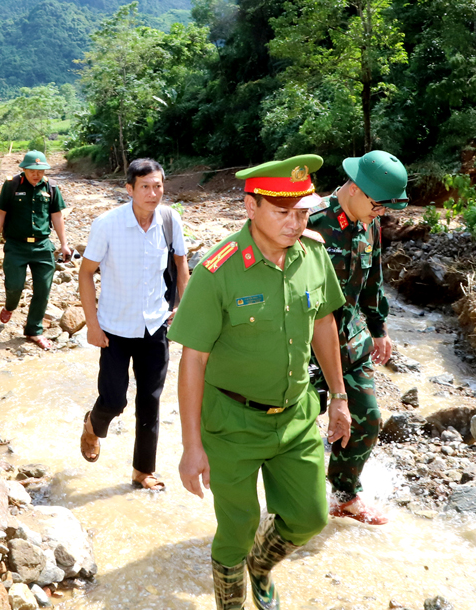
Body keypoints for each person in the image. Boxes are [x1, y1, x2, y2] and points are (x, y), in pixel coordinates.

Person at [170, 155, 352, 610]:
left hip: (295, 415)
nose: (295, 223)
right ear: (251, 207)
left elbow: (324, 322)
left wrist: (339, 397)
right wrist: (192, 447)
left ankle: (262, 565)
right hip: (232, 423)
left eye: (303, 212)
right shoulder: (218, 271)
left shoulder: (313, 255)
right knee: (237, 528)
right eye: (282, 212)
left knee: (310, 516)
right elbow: (193, 361)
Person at [307, 150, 408, 526]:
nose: (381, 213)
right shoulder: (311, 221)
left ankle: (344, 494)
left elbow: (373, 281)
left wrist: (379, 328)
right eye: (378, 205)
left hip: (351, 339)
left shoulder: (370, 223)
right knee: (296, 424)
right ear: (355, 188)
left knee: (367, 418)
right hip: (307, 346)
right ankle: (291, 498)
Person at [77, 158, 188, 491]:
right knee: (113, 401)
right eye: (145, 187)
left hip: (155, 325)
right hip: (114, 328)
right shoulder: (107, 224)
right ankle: (92, 427)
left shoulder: (170, 220)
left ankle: (143, 471)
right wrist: (92, 324)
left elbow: (182, 266)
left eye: (158, 186)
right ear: (129, 189)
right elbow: (85, 273)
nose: (153, 194)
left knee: (150, 401)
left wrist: (184, 309)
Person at [0, 150, 73, 349]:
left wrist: (64, 244)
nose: (37, 174)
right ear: (24, 169)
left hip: (42, 246)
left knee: (43, 289)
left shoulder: (51, 187)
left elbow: (57, 216)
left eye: (41, 170)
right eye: (32, 170)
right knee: (15, 286)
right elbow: (0, 213)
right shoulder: (12, 185)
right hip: (16, 245)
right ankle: (10, 306)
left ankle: (34, 330)